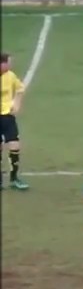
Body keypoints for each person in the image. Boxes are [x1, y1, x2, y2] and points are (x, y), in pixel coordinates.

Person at [0, 53, 27, 191]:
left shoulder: (10, 76)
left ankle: (14, 178)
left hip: (8, 117)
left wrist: (17, 103)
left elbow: (20, 89)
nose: (10, 65)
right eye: (8, 63)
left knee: (15, 146)